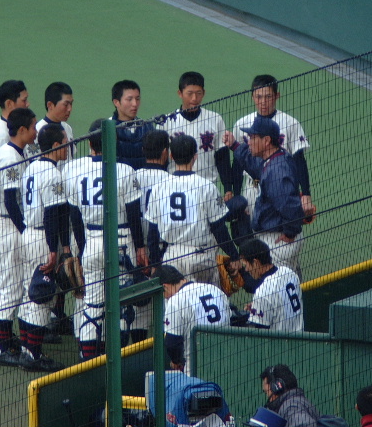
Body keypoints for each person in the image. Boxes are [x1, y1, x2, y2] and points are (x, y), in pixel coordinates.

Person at [62, 119, 147, 361]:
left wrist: (82, 252)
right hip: (121, 242)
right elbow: (133, 214)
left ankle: (88, 361)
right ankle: (115, 362)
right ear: (114, 143)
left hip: (91, 242)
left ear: (90, 144)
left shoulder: (76, 172)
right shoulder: (125, 171)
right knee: (121, 307)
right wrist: (140, 247)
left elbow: (75, 217)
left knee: (92, 306)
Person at [145, 134, 240, 287]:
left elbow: (152, 234)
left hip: (172, 257)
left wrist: (155, 264)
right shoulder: (206, 187)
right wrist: (234, 255)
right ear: (195, 157)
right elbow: (219, 229)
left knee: (176, 300)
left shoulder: (159, 188)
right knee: (206, 297)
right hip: (200, 259)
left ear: (171, 156)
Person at [17, 123, 70, 372]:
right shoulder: (52, 174)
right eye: (66, 143)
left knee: (29, 295)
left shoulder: (32, 167)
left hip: (28, 234)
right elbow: (52, 214)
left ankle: (27, 349)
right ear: (56, 145)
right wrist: (53, 249)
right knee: (42, 297)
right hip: (42, 239)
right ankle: (34, 355)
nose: (68, 147)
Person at [223, 116, 305, 274]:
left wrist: (290, 232)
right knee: (289, 279)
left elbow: (289, 206)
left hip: (277, 239)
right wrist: (234, 146)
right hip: (278, 236)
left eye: (253, 137)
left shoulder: (277, 171)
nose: (249, 142)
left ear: (266, 141)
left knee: (274, 284)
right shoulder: (275, 159)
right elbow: (255, 165)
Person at [0, 107, 37, 367]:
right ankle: (2, 347)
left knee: (10, 283)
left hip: (8, 224)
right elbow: (10, 200)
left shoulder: (16, 152)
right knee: (9, 285)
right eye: (33, 127)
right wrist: (25, 229)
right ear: (22, 130)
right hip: (9, 226)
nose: (36, 131)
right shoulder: (9, 157)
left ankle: (5, 340)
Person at [232, 74, 314, 217]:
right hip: (251, 188)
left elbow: (299, 161)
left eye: (268, 97)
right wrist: (237, 195)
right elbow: (238, 163)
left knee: (281, 225)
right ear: (252, 97)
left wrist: (306, 194)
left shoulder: (290, 123)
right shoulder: (242, 124)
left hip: (281, 187)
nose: (263, 102)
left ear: (277, 96)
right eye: (258, 97)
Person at [159, 71, 232, 197]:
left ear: (204, 93)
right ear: (180, 93)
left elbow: (222, 157)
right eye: (190, 93)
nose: (194, 98)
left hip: (207, 188)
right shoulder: (166, 122)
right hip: (175, 187)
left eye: (198, 93)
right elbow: (162, 160)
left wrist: (228, 188)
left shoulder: (215, 119)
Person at [132, 129, 171, 343]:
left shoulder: (133, 176)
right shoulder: (170, 180)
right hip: (162, 248)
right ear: (165, 152)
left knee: (140, 305)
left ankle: (136, 351)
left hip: (136, 246)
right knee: (167, 303)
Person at [158, 264, 230, 375]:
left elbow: (172, 343)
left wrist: (176, 361)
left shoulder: (176, 301)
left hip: (196, 367)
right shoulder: (214, 289)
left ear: (165, 286)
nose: (165, 297)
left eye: (163, 294)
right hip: (226, 359)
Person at [240, 238, 303, 331]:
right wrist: (259, 306)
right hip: (301, 335)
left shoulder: (263, 292)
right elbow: (283, 303)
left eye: (246, 265)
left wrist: (261, 303)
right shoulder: (289, 273)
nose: (246, 269)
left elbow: (259, 333)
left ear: (256, 262)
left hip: (280, 340)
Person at [26, 81, 75, 166]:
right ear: (50, 105)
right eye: (66, 104)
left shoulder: (67, 128)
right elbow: (33, 164)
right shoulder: (36, 131)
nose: (70, 109)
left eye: (71, 104)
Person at [0, 80, 29, 172]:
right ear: (9, 104)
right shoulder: (1, 136)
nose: (27, 104)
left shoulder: (17, 127)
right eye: (24, 100)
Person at [111, 79, 155, 170]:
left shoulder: (148, 127)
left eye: (137, 99)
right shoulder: (107, 130)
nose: (135, 104)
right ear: (116, 102)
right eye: (129, 99)